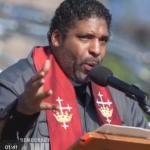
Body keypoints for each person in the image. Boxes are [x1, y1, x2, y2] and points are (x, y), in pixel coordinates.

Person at [0, 0, 149, 149]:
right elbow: (6, 145)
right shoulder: (15, 85)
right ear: (57, 38)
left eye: (103, 40)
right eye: (86, 37)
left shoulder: (121, 97)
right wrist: (22, 113)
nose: (96, 50)